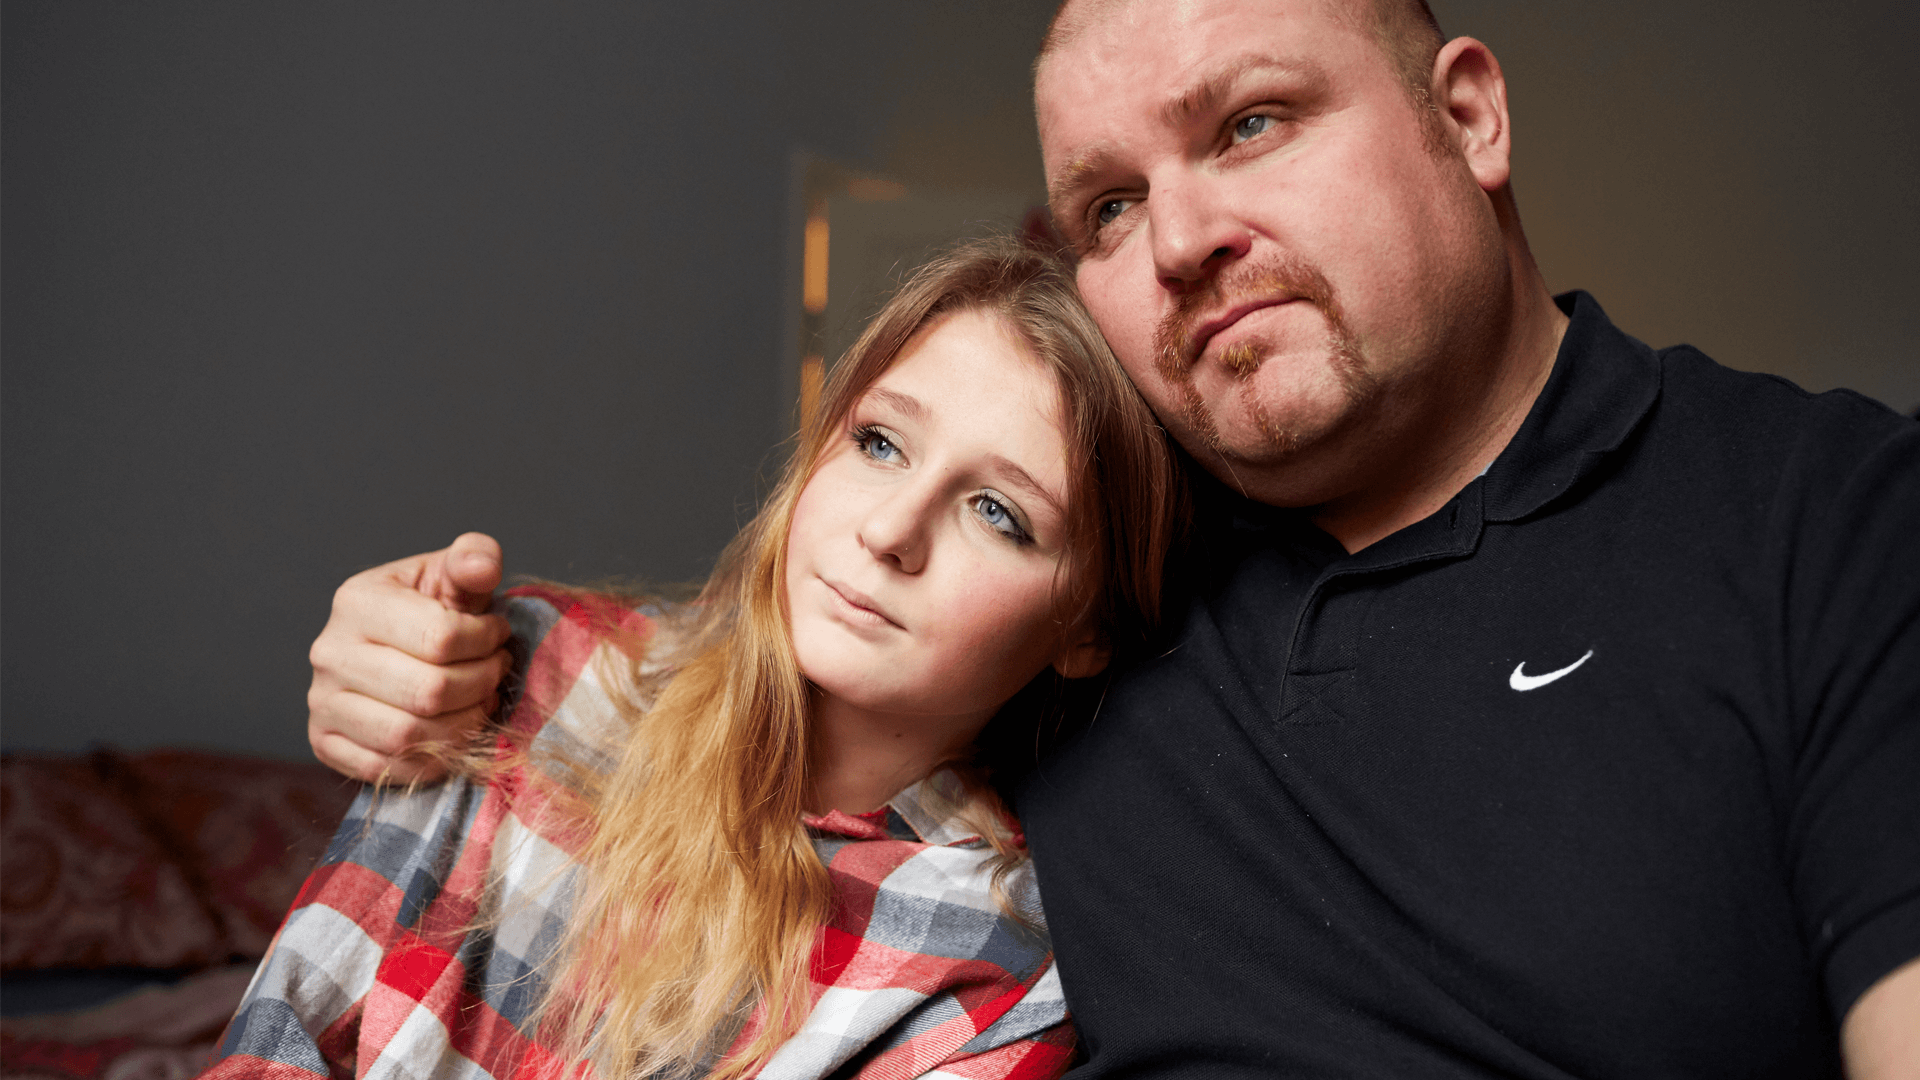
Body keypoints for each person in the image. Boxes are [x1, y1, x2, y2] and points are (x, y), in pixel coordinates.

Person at [304, 1, 1920, 1076]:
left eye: (1253, 123)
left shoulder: (1834, 517)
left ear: (1470, 114)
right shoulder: (1110, 558)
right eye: (1109, 206)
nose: (1185, 240)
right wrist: (446, 656)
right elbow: (757, 678)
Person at [213, 237, 1184, 1079]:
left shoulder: (998, 972)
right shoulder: (536, 671)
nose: (890, 530)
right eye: (880, 443)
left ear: (1087, 629)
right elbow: (284, 1032)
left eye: (998, 513)